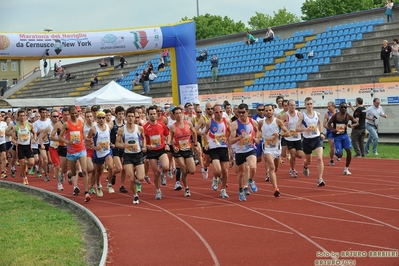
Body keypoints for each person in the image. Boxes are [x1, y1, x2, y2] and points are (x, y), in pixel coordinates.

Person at [58, 106, 91, 202]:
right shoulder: (66, 124)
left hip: (81, 150)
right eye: (71, 114)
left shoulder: (81, 122)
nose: (73, 115)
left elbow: (82, 134)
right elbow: (60, 137)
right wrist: (67, 142)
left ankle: (86, 193)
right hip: (71, 152)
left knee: (84, 171)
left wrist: (87, 139)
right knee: (74, 172)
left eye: (75, 113)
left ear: (77, 113)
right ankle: (69, 174)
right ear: (69, 114)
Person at [229, 103, 259, 201]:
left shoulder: (253, 122)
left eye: (243, 112)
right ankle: (241, 190)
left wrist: (257, 138)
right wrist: (239, 137)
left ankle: (250, 180)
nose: (241, 114)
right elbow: (230, 141)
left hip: (250, 148)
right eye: (239, 112)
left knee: (253, 167)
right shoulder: (234, 124)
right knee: (241, 173)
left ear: (247, 112)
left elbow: (258, 132)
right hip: (239, 151)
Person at [257, 104, 289, 197]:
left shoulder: (278, 121)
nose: (268, 112)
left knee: (275, 168)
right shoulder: (261, 123)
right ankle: (276, 188)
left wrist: (279, 134)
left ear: (273, 111)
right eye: (266, 111)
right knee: (271, 167)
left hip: (277, 149)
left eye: (269, 110)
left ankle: (271, 175)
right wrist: (258, 137)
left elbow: (287, 133)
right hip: (267, 148)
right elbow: (258, 132)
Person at [116, 108, 146, 204]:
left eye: (132, 116)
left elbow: (144, 138)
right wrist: (122, 145)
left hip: (138, 154)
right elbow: (117, 143)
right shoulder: (121, 130)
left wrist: (144, 146)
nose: (130, 118)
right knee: (131, 178)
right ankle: (135, 196)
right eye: (128, 116)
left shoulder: (140, 128)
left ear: (135, 118)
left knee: (141, 178)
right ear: (126, 117)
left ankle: (138, 178)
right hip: (128, 156)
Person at [295, 97, 326, 187]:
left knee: (319, 158)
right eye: (308, 104)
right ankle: (305, 166)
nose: (309, 105)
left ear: (313, 104)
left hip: (317, 139)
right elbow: (296, 128)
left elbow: (319, 123)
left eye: (311, 104)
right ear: (305, 105)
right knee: (309, 161)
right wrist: (305, 129)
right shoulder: (302, 116)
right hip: (307, 140)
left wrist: (321, 133)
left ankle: (320, 179)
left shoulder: (317, 114)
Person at [143, 106, 170, 200]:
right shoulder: (145, 127)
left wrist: (167, 144)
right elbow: (142, 141)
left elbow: (168, 134)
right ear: (148, 115)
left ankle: (163, 174)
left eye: (154, 114)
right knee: (156, 173)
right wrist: (146, 146)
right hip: (151, 152)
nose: (153, 115)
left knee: (166, 167)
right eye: (151, 114)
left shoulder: (161, 124)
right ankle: (158, 191)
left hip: (161, 149)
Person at [169, 107, 197, 197]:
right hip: (178, 151)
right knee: (184, 170)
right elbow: (170, 139)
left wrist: (195, 143)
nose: (178, 115)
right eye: (176, 113)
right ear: (174, 115)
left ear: (182, 113)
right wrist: (173, 146)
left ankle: (184, 175)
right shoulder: (173, 127)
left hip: (187, 149)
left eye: (180, 113)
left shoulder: (188, 123)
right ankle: (187, 188)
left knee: (192, 171)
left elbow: (194, 133)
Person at [203, 103, 230, 198]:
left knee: (225, 171)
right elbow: (205, 133)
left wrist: (230, 147)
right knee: (218, 171)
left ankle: (223, 190)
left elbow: (230, 133)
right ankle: (215, 178)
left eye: (220, 112)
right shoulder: (210, 122)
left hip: (223, 148)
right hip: (214, 148)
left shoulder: (227, 121)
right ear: (213, 113)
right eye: (217, 112)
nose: (219, 113)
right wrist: (206, 143)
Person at [86, 111, 115, 195]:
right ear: (97, 119)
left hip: (107, 151)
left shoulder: (108, 126)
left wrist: (111, 144)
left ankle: (109, 184)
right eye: (100, 118)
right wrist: (94, 147)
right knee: (98, 171)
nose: (101, 119)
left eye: (103, 118)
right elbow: (87, 142)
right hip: (98, 153)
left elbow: (110, 137)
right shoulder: (93, 129)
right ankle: (97, 185)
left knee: (110, 167)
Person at [6, 110, 37, 185]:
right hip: (20, 147)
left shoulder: (29, 125)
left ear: (26, 116)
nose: (22, 117)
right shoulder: (15, 127)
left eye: (24, 115)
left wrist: (34, 139)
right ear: (18, 117)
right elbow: (13, 138)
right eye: (21, 116)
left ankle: (27, 168)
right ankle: (24, 178)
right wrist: (14, 141)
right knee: (22, 163)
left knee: (32, 162)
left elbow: (34, 133)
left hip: (28, 146)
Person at [327, 102, 358, 175]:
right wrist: (332, 129)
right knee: (339, 155)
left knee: (349, 151)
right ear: (339, 108)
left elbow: (357, 122)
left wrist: (353, 125)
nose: (344, 109)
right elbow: (328, 123)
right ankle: (336, 151)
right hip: (337, 137)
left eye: (345, 107)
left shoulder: (348, 116)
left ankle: (346, 169)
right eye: (342, 107)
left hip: (345, 136)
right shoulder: (335, 116)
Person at [284, 100, 304, 178]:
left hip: (297, 137)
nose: (293, 106)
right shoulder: (285, 115)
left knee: (300, 155)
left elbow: (302, 123)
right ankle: (293, 170)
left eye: (294, 105)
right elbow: (282, 125)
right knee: (292, 154)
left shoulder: (299, 114)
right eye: (291, 105)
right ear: (288, 106)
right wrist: (285, 127)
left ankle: (292, 162)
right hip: (289, 138)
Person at [323, 102, 338, 166]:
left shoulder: (338, 112)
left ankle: (338, 154)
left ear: (333, 106)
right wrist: (331, 128)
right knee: (332, 147)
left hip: (338, 132)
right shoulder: (327, 114)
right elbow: (324, 124)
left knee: (338, 145)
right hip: (330, 132)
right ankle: (331, 159)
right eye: (328, 106)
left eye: (329, 106)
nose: (328, 108)